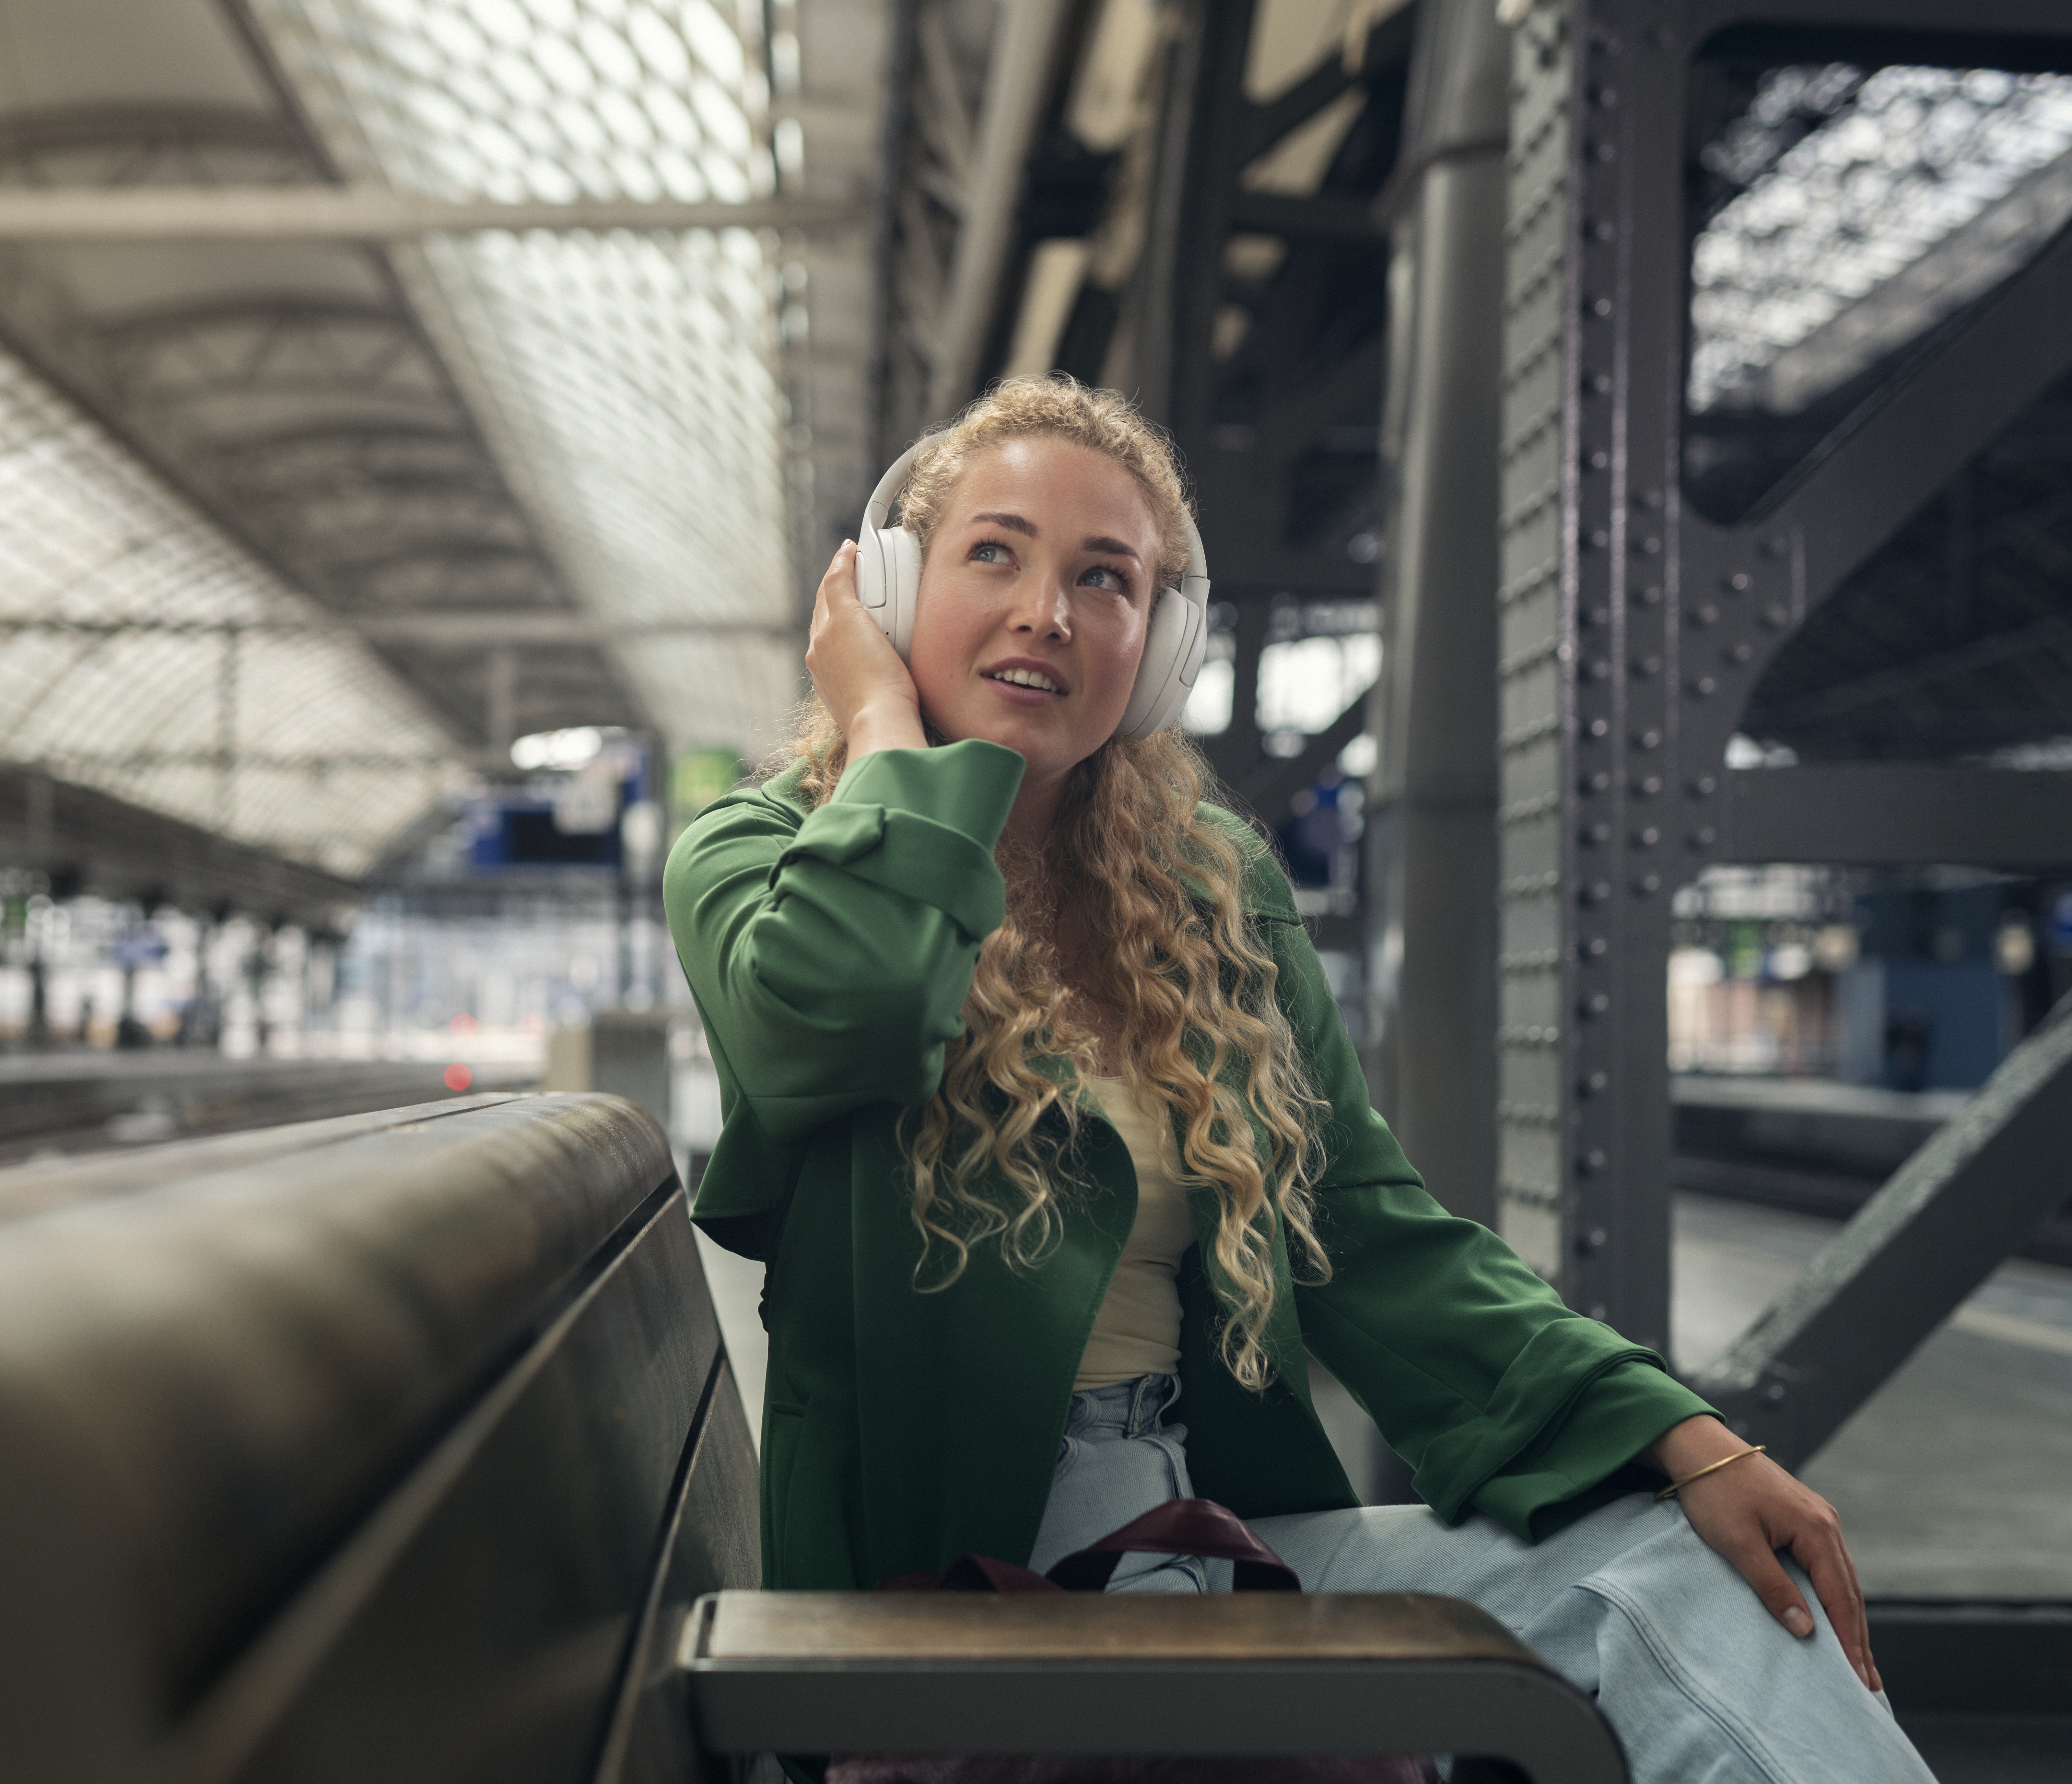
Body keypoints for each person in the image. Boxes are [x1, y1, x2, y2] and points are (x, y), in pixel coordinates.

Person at [662, 378, 1932, 1782]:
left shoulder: (1206, 894)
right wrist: (887, 738)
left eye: (1107, 578)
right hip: (955, 1587)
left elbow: (1373, 1232)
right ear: (892, 591)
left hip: (1208, 1535)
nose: (1048, 611)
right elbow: (841, 1009)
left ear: (1154, 647)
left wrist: (1682, 1434)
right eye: (994, 553)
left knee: (1701, 1571)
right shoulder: (757, 859)